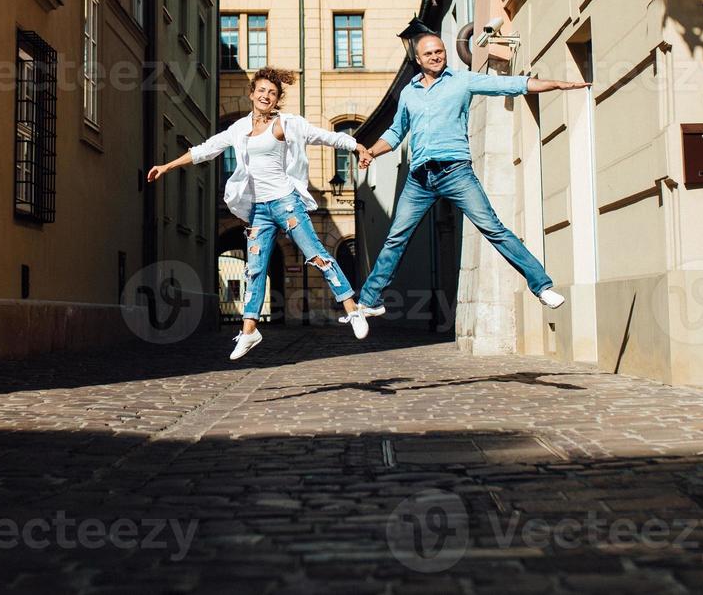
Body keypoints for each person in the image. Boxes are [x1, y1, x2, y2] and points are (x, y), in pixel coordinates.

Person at [354, 33, 590, 324]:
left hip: (455, 172)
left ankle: (541, 286)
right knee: (396, 238)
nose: (436, 56)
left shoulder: (462, 80)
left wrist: (556, 84)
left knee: (493, 227)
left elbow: (509, 84)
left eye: (439, 51)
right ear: (418, 59)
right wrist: (372, 153)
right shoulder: (409, 93)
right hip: (420, 178)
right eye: (429, 54)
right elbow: (395, 132)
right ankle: (368, 301)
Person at [148, 67, 374, 360]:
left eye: (272, 93)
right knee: (254, 268)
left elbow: (324, 137)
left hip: (285, 202)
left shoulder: (286, 124)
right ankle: (249, 329)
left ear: (277, 99)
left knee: (316, 254)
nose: (266, 96)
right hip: (258, 211)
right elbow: (206, 149)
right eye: (262, 91)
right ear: (252, 93)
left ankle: (352, 309)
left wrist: (356, 145)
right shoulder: (238, 129)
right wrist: (167, 166)